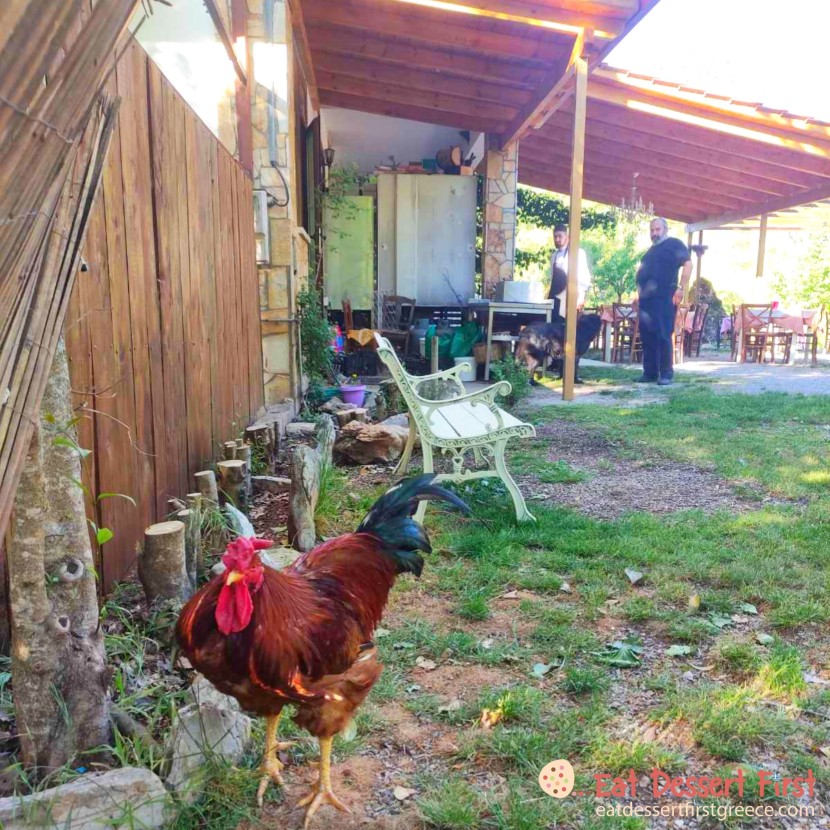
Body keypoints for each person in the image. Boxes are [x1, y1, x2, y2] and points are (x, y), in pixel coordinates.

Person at [634, 217, 692, 386]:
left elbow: (688, 264)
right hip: (646, 301)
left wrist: (681, 288)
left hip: (665, 297)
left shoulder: (674, 244)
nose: (654, 233)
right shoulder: (649, 252)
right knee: (647, 336)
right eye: (652, 230)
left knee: (663, 335)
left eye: (657, 229)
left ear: (665, 230)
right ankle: (650, 373)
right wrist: (638, 296)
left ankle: (666, 373)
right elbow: (643, 275)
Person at [549, 224, 592, 321]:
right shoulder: (553, 256)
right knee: (553, 324)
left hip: (570, 297)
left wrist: (581, 297)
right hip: (554, 297)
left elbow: (584, 277)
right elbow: (552, 277)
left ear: (567, 237)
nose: (557, 239)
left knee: (568, 325)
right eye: (555, 237)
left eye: (560, 236)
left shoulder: (578, 253)